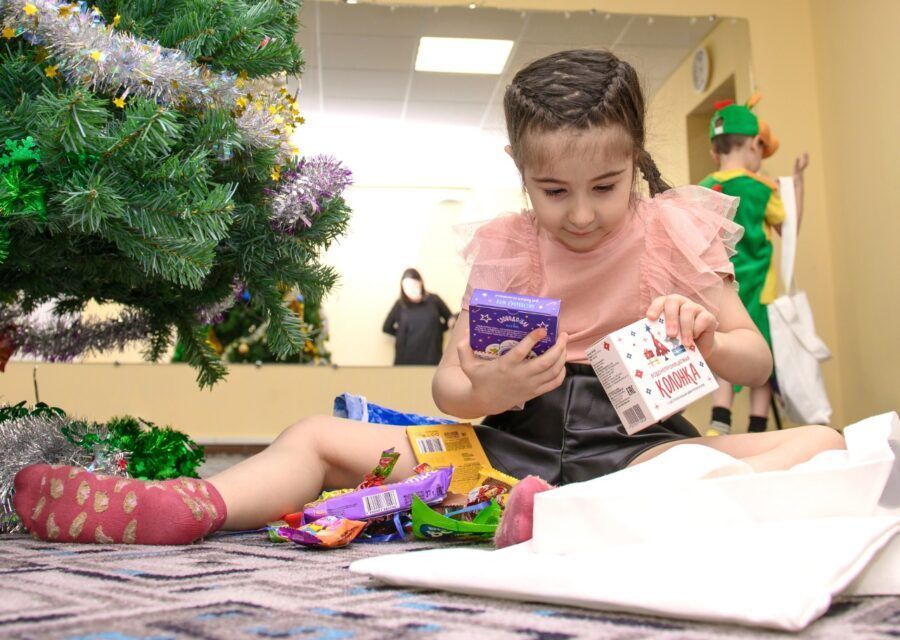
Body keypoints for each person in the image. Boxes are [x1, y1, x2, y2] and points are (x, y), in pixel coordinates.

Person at [12, 50, 843, 547]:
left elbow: (754, 360)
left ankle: (569, 517)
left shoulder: (676, 229)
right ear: (520, 171)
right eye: (554, 191)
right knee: (316, 435)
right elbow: (449, 386)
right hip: (505, 452)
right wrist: (488, 388)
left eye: (606, 185)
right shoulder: (509, 245)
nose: (582, 215)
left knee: (824, 444)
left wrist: (707, 338)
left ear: (635, 160)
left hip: (639, 455)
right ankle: (185, 507)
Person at [698, 96, 810, 435]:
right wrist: (798, 184)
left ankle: (719, 420)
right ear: (752, 145)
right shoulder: (763, 189)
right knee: (762, 356)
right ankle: (758, 426)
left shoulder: (703, 189)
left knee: (724, 349)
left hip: (721, 292)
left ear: (714, 151)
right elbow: (789, 229)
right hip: (761, 290)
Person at [382, 268, 452, 365]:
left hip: (432, 356)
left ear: (420, 283)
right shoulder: (400, 304)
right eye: (406, 287)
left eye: (413, 285)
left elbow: (450, 320)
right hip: (406, 358)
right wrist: (402, 333)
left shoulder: (434, 300)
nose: (410, 289)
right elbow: (386, 327)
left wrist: (436, 329)